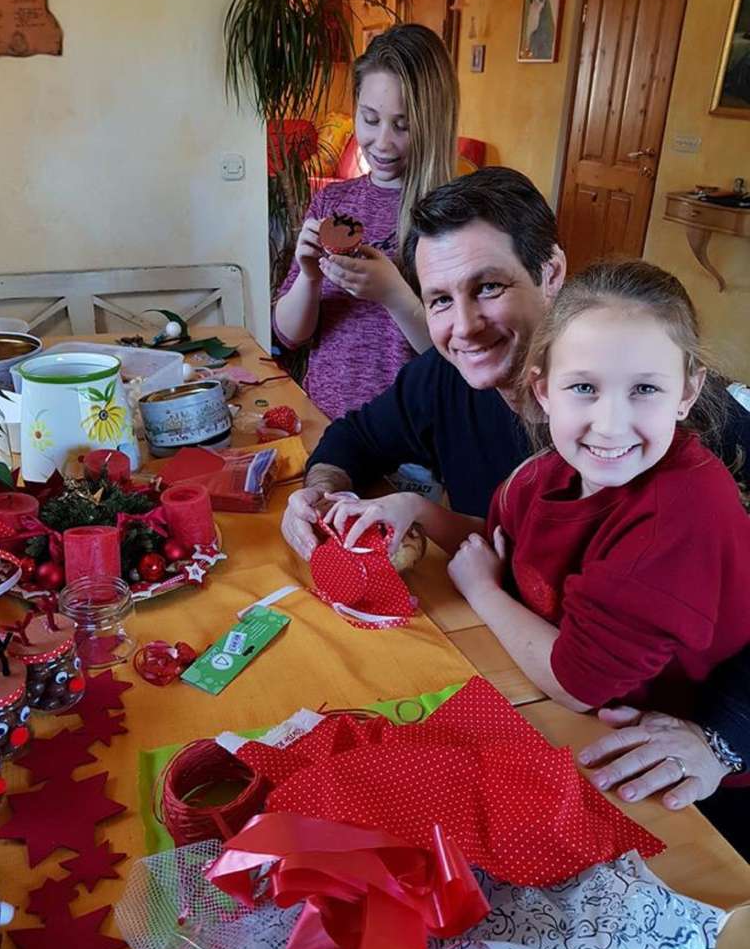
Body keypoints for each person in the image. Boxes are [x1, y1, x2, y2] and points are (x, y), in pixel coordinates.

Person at [281, 168, 750, 825]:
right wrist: (321, 492)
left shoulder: (696, 432)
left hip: (677, 761)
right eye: (439, 298)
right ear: (543, 395)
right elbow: (354, 441)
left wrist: (726, 738)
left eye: (490, 287)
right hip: (551, 703)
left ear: (551, 271)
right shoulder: (470, 401)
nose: (463, 326)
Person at [273, 23, 459, 420]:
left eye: (403, 125)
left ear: (435, 121)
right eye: (370, 119)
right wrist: (309, 276)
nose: (383, 142)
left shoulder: (457, 214)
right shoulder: (333, 201)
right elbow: (290, 335)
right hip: (326, 422)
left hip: (412, 439)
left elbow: (461, 358)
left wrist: (394, 293)